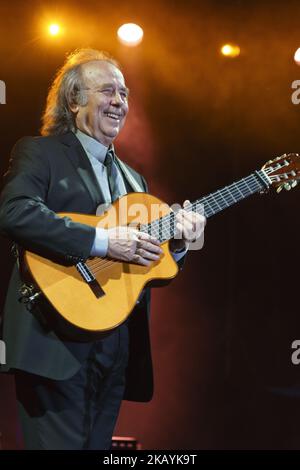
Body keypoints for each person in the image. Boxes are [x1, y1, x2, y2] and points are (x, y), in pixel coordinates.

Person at [0, 49, 205, 450]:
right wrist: (103, 240)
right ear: (74, 100)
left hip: (115, 347)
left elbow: (141, 264)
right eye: (108, 90)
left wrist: (178, 244)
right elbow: (14, 212)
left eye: (125, 93)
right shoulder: (40, 153)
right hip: (53, 334)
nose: (119, 101)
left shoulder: (134, 178)